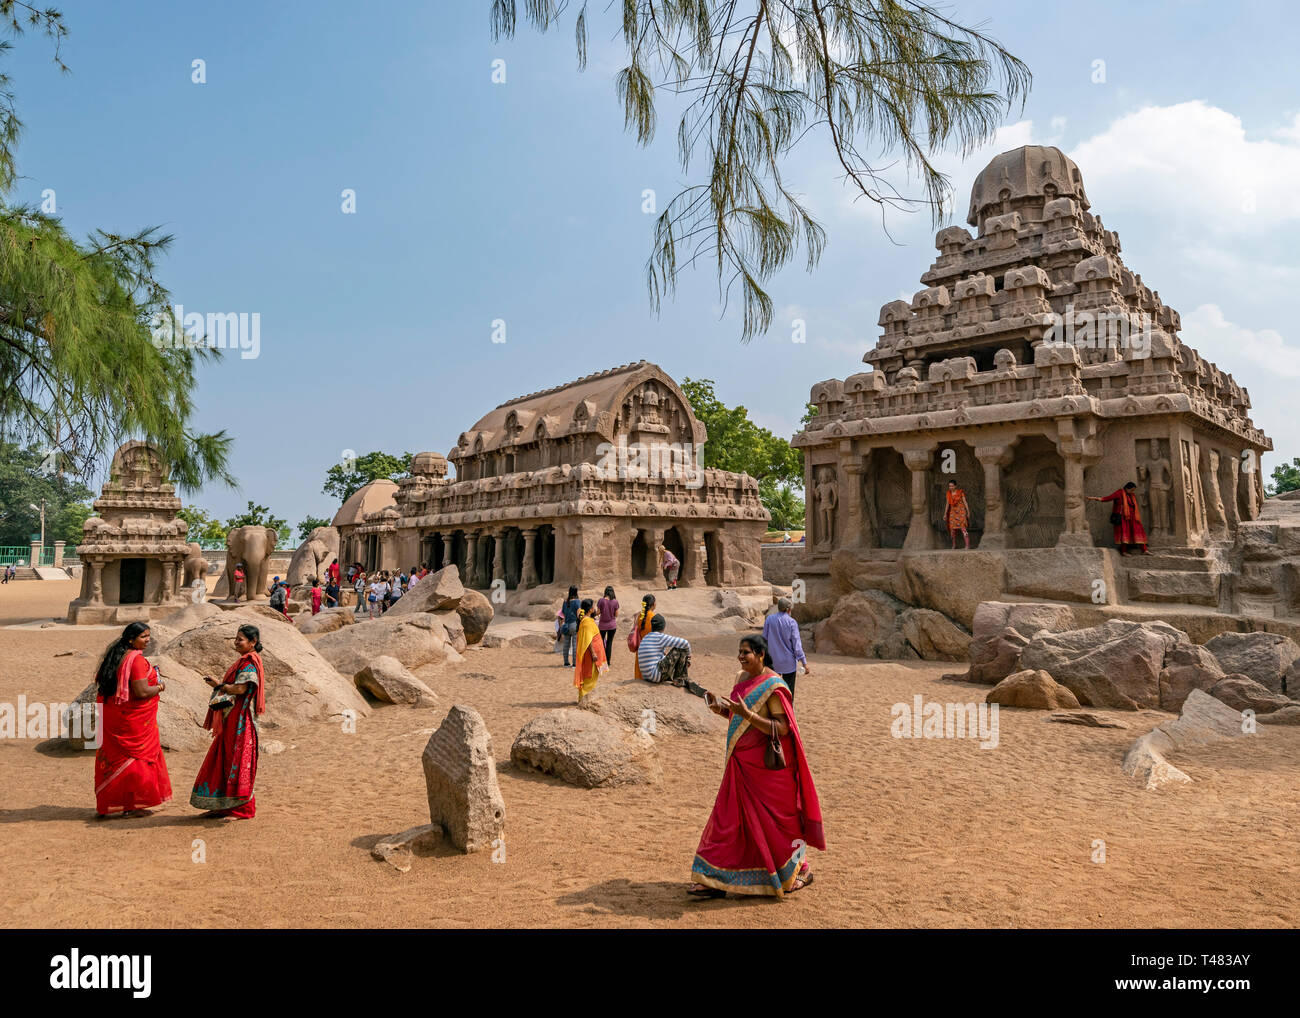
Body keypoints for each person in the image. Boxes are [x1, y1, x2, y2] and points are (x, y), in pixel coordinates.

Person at [688, 634, 824, 898]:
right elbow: (739, 716)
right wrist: (721, 709)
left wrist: (746, 714)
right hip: (741, 766)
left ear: (761, 654)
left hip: (768, 772)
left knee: (775, 826)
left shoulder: (773, 685)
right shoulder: (741, 678)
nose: (741, 657)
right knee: (728, 820)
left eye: (746, 652)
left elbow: (782, 728)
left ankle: (797, 870)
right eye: (739, 652)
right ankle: (714, 879)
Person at [92, 622, 172, 817]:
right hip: (133, 723)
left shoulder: (117, 657)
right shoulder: (135, 661)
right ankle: (132, 805)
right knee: (136, 760)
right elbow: (141, 691)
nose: (148, 640)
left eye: (148, 636)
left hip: (116, 717)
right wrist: (160, 686)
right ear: (131, 639)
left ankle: (114, 803)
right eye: (144, 636)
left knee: (117, 759)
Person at [191, 624, 265, 819]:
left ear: (253, 642)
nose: (236, 642)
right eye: (236, 638)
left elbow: (240, 689)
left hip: (241, 720)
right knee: (224, 758)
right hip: (230, 718)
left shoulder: (249, 663)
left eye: (240, 639)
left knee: (238, 761)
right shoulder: (242, 661)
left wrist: (219, 685)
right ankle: (223, 804)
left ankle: (242, 809)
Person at [636, 614, 704, 696]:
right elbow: (685, 643)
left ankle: (679, 677)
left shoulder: (646, 637)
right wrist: (688, 656)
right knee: (679, 649)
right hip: (655, 676)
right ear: (663, 627)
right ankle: (679, 678)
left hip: (647, 676)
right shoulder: (659, 637)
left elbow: (659, 658)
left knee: (667, 655)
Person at [761, 597, 809, 699]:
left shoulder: (769, 619)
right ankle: (788, 713)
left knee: (772, 691)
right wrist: (804, 663)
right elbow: (797, 646)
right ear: (788, 609)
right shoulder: (792, 622)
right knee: (788, 693)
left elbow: (764, 639)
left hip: (772, 662)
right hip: (788, 664)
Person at [1089, 482, 1150, 555]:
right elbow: (1108, 498)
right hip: (1123, 518)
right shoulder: (1119, 493)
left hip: (1133, 518)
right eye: (1132, 490)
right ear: (1127, 488)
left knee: (1139, 531)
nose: (1132, 492)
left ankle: (1144, 550)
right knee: (1124, 534)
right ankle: (1124, 551)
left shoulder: (1131, 495)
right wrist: (1097, 498)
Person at [573, 599, 609, 702]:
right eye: (593, 607)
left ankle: (583, 698)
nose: (594, 608)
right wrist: (593, 653)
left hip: (593, 653)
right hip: (591, 655)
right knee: (589, 675)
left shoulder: (587, 620)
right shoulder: (587, 622)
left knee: (592, 676)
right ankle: (584, 699)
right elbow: (588, 640)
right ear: (589, 610)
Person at [631, 594, 656, 680]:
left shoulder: (640, 616)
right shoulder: (653, 617)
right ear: (653, 604)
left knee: (639, 673)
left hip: (640, 648)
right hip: (650, 648)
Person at [944, 480, 971, 550]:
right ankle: (954, 545)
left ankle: (967, 545)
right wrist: (945, 514)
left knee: (963, 529)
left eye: (952, 486)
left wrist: (968, 512)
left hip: (961, 512)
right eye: (949, 486)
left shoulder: (960, 493)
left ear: (955, 486)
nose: (951, 487)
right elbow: (947, 504)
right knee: (952, 530)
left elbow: (965, 502)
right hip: (953, 513)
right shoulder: (948, 494)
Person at [596, 585, 619, 663]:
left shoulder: (601, 600)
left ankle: (601, 659)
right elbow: (616, 615)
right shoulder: (615, 602)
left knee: (601, 642)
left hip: (602, 625)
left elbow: (598, 612)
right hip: (612, 625)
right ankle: (608, 661)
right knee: (609, 643)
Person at [559, 585, 581, 667]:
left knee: (566, 644)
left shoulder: (565, 602)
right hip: (574, 624)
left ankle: (566, 662)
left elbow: (563, 613)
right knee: (575, 644)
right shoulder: (577, 601)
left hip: (566, 625)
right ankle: (575, 663)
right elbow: (579, 614)